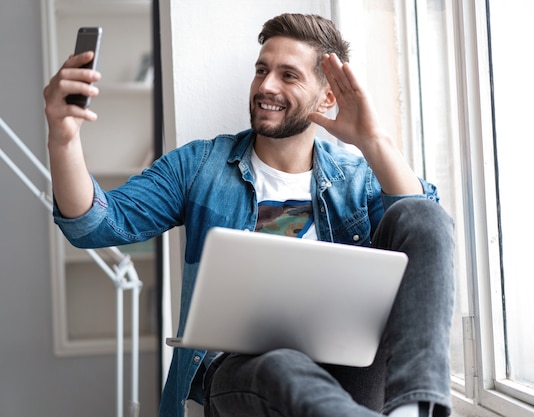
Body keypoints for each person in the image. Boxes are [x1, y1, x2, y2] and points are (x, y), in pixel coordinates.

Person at [43, 12, 455, 417]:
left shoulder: (358, 179)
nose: (266, 86)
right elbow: (96, 224)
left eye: (288, 75)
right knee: (282, 364)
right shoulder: (199, 166)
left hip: (351, 378)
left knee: (426, 218)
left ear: (327, 97)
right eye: (261, 70)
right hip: (243, 378)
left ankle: (415, 409)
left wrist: (374, 142)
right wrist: (63, 140)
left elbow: (428, 252)